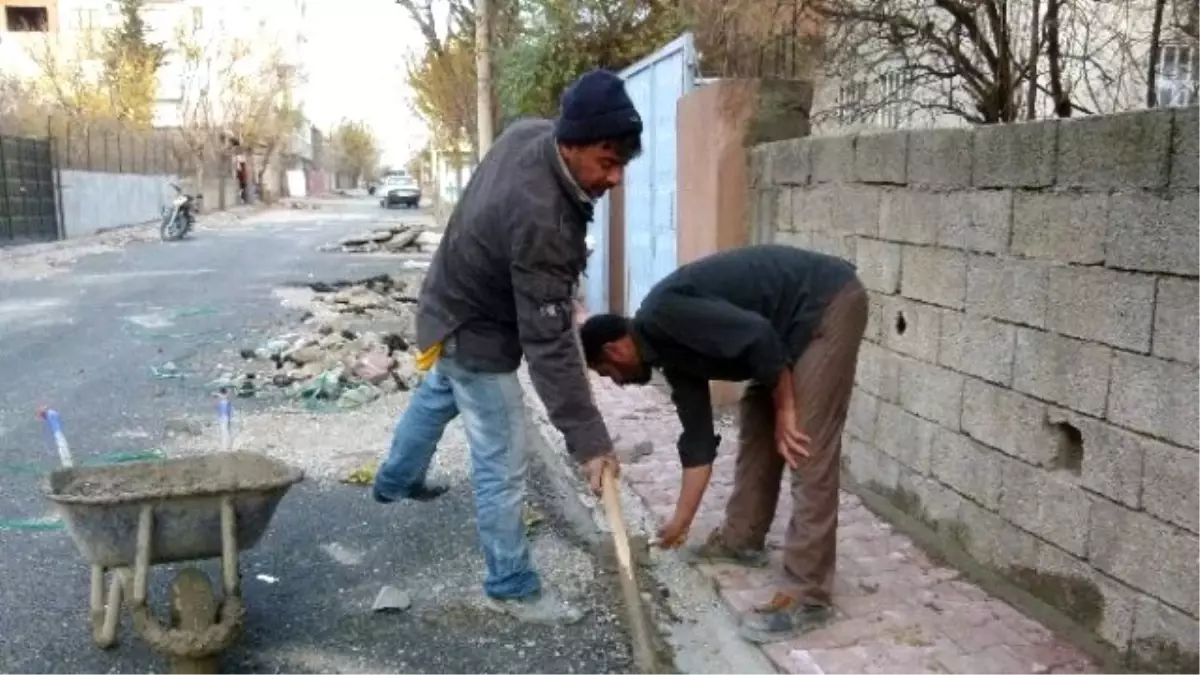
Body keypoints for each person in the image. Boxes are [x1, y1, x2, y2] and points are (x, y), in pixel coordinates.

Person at [372, 69, 642, 624]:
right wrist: (589, 441)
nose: (615, 179)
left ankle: (395, 480)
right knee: (502, 459)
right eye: (606, 162)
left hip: (446, 304)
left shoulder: (529, 135)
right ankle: (512, 584)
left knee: (437, 393)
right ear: (569, 145)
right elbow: (549, 344)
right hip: (477, 331)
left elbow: (544, 305)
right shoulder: (544, 219)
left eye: (621, 166)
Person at [578, 244, 867, 642]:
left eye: (608, 372)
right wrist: (680, 522)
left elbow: (759, 337)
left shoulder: (664, 314)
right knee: (758, 425)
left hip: (825, 302)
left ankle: (808, 596)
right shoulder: (670, 355)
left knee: (804, 442)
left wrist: (785, 411)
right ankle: (741, 540)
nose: (617, 381)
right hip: (789, 329)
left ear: (615, 349)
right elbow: (697, 440)